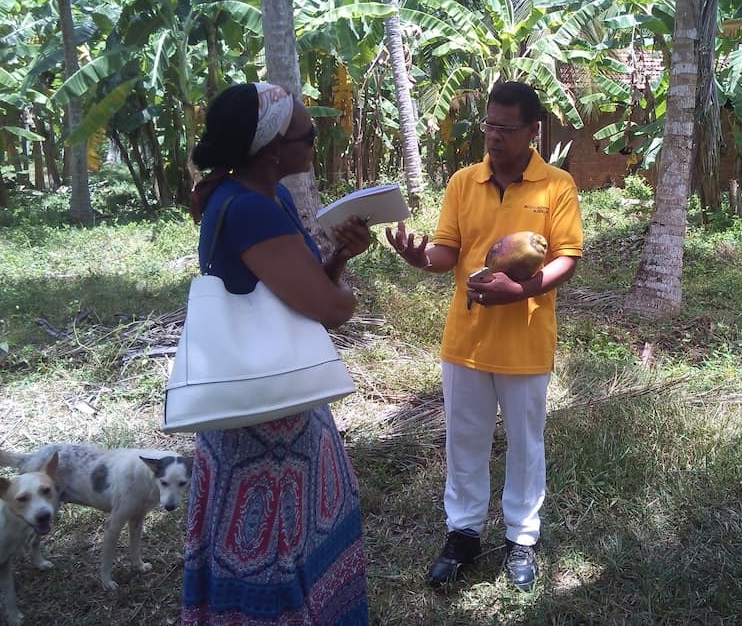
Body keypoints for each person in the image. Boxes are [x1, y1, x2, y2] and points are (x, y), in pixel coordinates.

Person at [181, 82, 371, 625]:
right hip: (266, 419)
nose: (315, 142)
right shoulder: (249, 210)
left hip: (278, 393)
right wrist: (345, 296)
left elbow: (296, 289)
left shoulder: (267, 197)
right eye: (307, 135)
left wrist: (338, 257)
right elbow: (330, 308)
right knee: (275, 550)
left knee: (287, 545)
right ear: (271, 151)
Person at [385, 81, 583, 590]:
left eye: (506, 129)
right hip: (466, 340)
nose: (494, 137)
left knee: (525, 444)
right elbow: (447, 251)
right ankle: (464, 534)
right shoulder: (463, 182)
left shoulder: (556, 186)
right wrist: (419, 257)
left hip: (525, 341)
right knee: (464, 441)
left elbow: (567, 258)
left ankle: (522, 537)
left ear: (533, 130)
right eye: (489, 125)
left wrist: (520, 291)